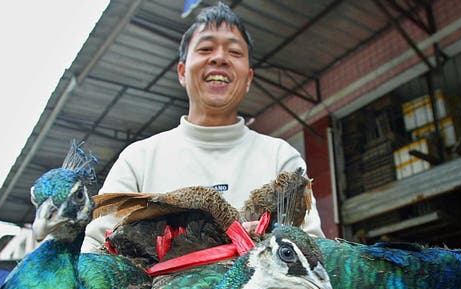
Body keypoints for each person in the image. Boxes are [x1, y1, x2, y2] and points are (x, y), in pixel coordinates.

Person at [82, 1, 323, 252]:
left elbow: (313, 250)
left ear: (249, 78)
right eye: (206, 48)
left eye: (235, 52)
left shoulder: (280, 157)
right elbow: (95, 250)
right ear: (182, 72)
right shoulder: (138, 160)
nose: (219, 58)